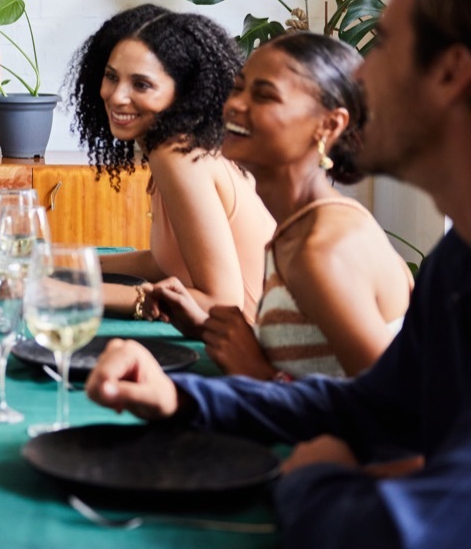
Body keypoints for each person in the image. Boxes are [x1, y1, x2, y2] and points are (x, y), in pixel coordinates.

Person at [86, 0, 471, 548]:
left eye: (388, 44)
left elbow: (406, 525)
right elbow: (375, 405)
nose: (363, 71)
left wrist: (310, 474)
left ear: (452, 73)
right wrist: (184, 398)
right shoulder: (456, 261)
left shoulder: (328, 246)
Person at [154, 32, 412, 379]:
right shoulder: (300, 226)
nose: (235, 105)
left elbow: (393, 406)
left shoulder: (321, 250)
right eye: (238, 88)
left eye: (264, 95)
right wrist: (210, 331)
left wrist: (258, 372)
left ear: (329, 125)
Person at [64, 4, 275, 327]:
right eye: (110, 77)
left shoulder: (177, 155)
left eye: (141, 85)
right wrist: (67, 263)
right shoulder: (180, 147)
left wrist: (68, 293)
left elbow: (222, 304)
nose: (117, 96)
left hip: (247, 354)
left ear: (184, 91)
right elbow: (165, 263)